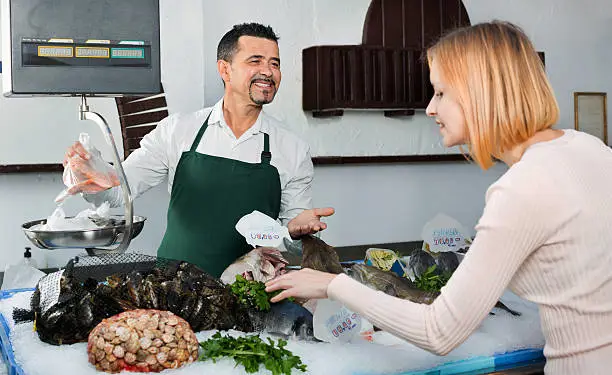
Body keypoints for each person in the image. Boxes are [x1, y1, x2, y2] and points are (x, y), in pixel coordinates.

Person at [266, 21, 612, 374]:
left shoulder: (522, 188)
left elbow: (439, 331)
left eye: (441, 93)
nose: (431, 108)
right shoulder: (587, 147)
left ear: (482, 92)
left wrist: (332, 284)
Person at [64, 23, 333, 277]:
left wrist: (300, 232)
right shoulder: (178, 130)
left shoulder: (292, 148)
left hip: (248, 293)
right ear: (225, 69)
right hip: (173, 286)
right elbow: (121, 189)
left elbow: (296, 238)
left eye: (274, 63)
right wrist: (93, 176)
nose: (268, 71)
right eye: (256, 61)